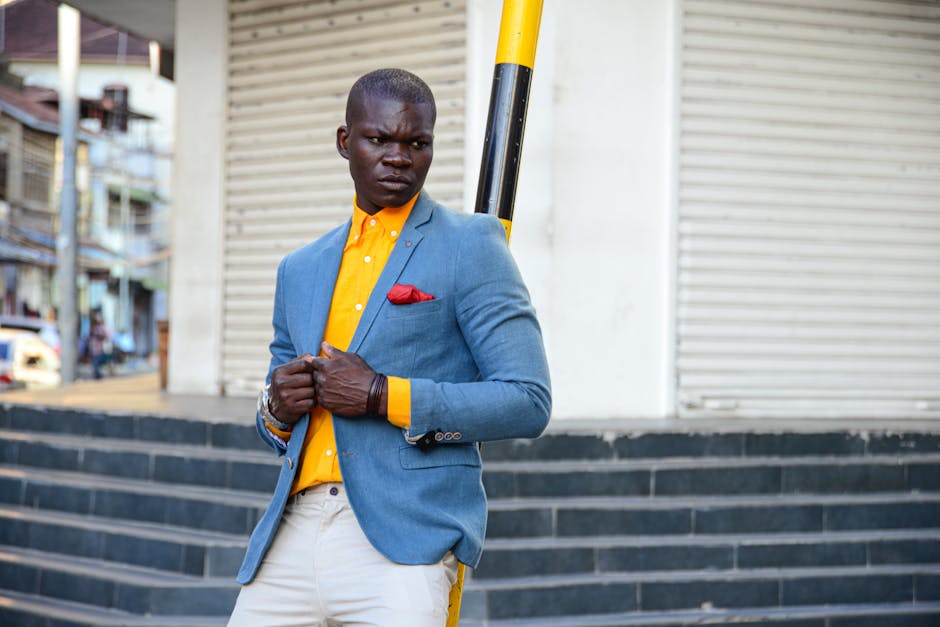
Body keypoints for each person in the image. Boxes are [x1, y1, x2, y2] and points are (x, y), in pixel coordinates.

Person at [228, 68, 551, 627]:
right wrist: (276, 408)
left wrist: (382, 394)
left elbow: (528, 401)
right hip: (293, 532)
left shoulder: (470, 245)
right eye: (380, 139)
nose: (399, 157)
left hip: (407, 540)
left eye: (416, 143)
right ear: (344, 141)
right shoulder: (300, 269)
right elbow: (274, 426)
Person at [87, 311, 111, 379]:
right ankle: (97, 375)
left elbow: (106, 336)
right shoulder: (92, 327)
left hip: (100, 348)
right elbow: (90, 336)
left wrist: (99, 335)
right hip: (93, 348)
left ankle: (98, 375)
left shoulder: (102, 327)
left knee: (97, 362)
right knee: (95, 363)